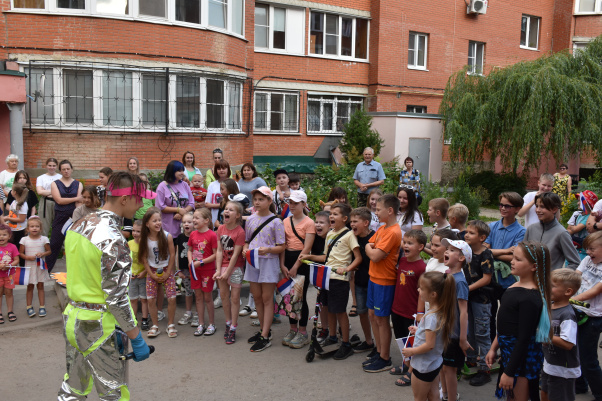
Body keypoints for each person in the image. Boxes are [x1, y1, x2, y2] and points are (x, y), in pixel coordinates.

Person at [58, 171, 152, 400]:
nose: (141, 205)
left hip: (73, 320)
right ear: (124, 199)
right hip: (99, 327)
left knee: (73, 389)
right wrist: (136, 336)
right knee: (113, 393)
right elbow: (117, 298)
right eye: (139, 199)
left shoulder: (78, 224)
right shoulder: (113, 238)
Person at [486, 241, 552, 401]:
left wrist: (509, 372)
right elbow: (505, 327)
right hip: (511, 354)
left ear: (534, 267)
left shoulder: (530, 298)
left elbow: (523, 339)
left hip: (522, 361)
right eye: (513, 257)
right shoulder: (515, 285)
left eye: (518, 259)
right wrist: (494, 347)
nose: (512, 262)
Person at [300, 203, 361, 360]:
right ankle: (333, 337)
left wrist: (347, 269)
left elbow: (358, 258)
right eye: (331, 214)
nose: (331, 216)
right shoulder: (330, 234)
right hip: (327, 277)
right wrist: (309, 257)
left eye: (335, 214)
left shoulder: (349, 235)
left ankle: (346, 344)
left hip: (339, 279)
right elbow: (325, 258)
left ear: (345, 218)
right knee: (328, 308)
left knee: (340, 311)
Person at [363, 194, 403, 373]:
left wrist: (373, 251)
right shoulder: (382, 228)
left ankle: (385, 357)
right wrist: (371, 250)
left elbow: (375, 255)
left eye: (378, 210)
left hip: (385, 281)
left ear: (390, 210)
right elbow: (368, 245)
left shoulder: (393, 231)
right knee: (373, 315)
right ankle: (379, 351)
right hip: (373, 277)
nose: (376, 212)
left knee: (381, 319)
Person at [402, 271, 456, 401]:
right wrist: (419, 329)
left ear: (433, 294)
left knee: (419, 397)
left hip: (422, 366)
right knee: (433, 395)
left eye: (421, 288)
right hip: (434, 364)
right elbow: (433, 334)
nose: (418, 290)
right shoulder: (440, 311)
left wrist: (411, 351)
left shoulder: (431, 316)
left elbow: (429, 345)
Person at [243, 186, 285, 352]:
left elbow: (281, 246)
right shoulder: (250, 219)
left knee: (267, 298)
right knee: (257, 298)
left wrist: (267, 249)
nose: (257, 202)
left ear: (269, 201)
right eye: (255, 199)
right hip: (253, 261)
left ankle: (265, 336)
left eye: (261, 199)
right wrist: (244, 249)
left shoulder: (276, 221)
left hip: (268, 263)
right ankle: (263, 330)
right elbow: (247, 240)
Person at [485, 191, 526, 342]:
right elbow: (483, 250)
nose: (502, 208)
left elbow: (514, 257)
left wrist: (492, 252)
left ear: (517, 209)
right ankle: (489, 345)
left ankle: (505, 344)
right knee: (488, 314)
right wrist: (505, 250)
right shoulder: (492, 226)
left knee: (506, 316)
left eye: (507, 206)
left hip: (508, 280)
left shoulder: (521, 231)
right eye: (501, 204)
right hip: (490, 278)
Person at [390, 229, 427, 387]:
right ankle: (406, 364)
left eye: (410, 243)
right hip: (397, 308)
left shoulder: (421, 267)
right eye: (404, 242)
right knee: (401, 340)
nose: (405, 245)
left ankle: (412, 371)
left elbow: (422, 293)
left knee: (412, 342)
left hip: (411, 312)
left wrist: (419, 313)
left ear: (420, 247)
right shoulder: (402, 261)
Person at [280, 190, 315, 349]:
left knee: (300, 296)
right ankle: (292, 329)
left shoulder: (309, 223)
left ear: (303, 204)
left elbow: (306, 248)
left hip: (301, 262)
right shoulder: (285, 221)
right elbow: (282, 245)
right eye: (290, 203)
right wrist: (283, 265)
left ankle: (303, 332)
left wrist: (295, 267)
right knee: (289, 296)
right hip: (286, 260)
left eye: (295, 203)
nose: (292, 206)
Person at [541, 268, 581, 401]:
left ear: (568, 291)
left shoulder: (567, 315)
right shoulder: (551, 306)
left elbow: (568, 344)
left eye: (552, 286)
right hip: (550, 364)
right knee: (545, 393)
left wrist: (546, 335)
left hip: (563, 370)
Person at [463, 220, 494, 386]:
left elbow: (487, 278)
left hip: (481, 299)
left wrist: (467, 288)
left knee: (482, 333)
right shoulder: (466, 251)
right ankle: (472, 359)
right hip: (468, 298)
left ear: (482, 238)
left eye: (471, 233)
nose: (467, 234)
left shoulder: (486, 254)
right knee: (470, 331)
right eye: (467, 231)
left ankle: (485, 369)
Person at [439, 239, 471, 401]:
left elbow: (464, 312)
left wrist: (463, 338)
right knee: (443, 366)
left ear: (461, 258)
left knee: (450, 369)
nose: (446, 251)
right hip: (443, 330)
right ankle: (444, 394)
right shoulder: (446, 275)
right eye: (447, 249)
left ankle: (452, 398)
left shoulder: (460, 282)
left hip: (454, 334)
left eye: (452, 250)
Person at [572, 231, 602, 399]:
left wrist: (570, 299)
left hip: (593, 318)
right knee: (575, 351)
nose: (588, 252)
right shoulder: (586, 260)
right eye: (586, 249)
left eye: (592, 249)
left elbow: (595, 291)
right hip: (578, 311)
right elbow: (576, 278)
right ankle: (580, 384)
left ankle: (599, 392)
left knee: (588, 358)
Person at [139, 207, 177, 338]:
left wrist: (168, 273)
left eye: (159, 220)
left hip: (166, 269)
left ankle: (170, 324)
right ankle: (155, 325)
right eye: (154, 220)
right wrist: (150, 273)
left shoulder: (167, 236)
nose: (158, 223)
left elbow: (172, 255)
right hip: (152, 271)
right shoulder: (145, 239)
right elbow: (144, 258)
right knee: (151, 299)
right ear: (147, 224)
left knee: (172, 298)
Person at [214, 200, 245, 344]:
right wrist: (218, 269)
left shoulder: (240, 232)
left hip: (236, 268)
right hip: (223, 266)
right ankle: (227, 322)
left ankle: (234, 326)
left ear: (238, 215)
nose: (227, 211)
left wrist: (227, 272)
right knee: (224, 296)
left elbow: (235, 254)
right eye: (226, 209)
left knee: (234, 298)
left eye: (231, 210)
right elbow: (219, 250)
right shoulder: (220, 229)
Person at [524, 192, 580, 270]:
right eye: (536, 206)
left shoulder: (561, 233)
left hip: (549, 281)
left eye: (542, 207)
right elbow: (524, 254)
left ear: (554, 209)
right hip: (528, 280)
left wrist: (558, 278)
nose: (538, 210)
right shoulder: (531, 229)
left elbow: (575, 262)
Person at [46, 160, 83, 272]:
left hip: (74, 217)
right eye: (63, 169)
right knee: (54, 244)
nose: (66, 171)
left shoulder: (78, 184)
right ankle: (46, 272)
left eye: (68, 169)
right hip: (60, 217)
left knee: (75, 246)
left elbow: (79, 203)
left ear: (71, 169)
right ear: (60, 171)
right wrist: (76, 198)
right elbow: (59, 200)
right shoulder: (55, 183)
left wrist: (78, 217)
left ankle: (76, 273)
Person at [349, 207, 376, 353]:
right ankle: (368, 341)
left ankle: (380, 347)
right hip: (359, 281)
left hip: (374, 282)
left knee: (375, 316)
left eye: (355, 221)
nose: (352, 224)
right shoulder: (352, 237)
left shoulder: (375, 238)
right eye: (351, 221)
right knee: (362, 312)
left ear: (366, 223)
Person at [188, 208, 218, 336]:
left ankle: (211, 324)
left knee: (207, 297)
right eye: (193, 217)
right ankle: (201, 324)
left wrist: (201, 262)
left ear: (206, 220)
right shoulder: (193, 234)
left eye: (196, 218)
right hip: (195, 271)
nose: (193, 220)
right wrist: (191, 262)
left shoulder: (212, 235)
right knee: (198, 297)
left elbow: (216, 254)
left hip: (207, 270)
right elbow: (190, 250)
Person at [20, 216, 51, 318]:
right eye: (32, 226)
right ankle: (29, 307)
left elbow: (49, 251)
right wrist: (27, 257)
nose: (34, 228)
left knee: (41, 286)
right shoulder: (24, 240)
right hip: (29, 267)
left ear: (40, 229)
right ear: (28, 228)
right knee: (30, 287)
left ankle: (42, 306)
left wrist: (42, 254)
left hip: (40, 267)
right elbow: (20, 253)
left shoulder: (44, 239)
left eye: (37, 226)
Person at [155, 160, 195, 239]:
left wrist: (182, 212)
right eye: (179, 171)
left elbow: (192, 203)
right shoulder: (162, 186)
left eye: (182, 170)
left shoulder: (185, 185)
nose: (182, 173)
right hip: (168, 227)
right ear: (172, 172)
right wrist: (177, 209)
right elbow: (160, 206)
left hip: (184, 227)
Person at [174, 212, 197, 328]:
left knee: (198, 293)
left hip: (196, 270)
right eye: (184, 222)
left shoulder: (198, 236)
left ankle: (198, 314)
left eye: (189, 222)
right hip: (184, 270)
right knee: (188, 292)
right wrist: (179, 270)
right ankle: (188, 313)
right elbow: (178, 253)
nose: (186, 224)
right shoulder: (180, 237)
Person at [128, 220, 149, 331]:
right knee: (133, 299)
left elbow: (149, 261)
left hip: (143, 276)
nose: (135, 233)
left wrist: (144, 272)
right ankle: (134, 318)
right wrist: (129, 272)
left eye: (138, 231)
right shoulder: (129, 243)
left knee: (144, 299)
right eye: (133, 230)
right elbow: (126, 260)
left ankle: (145, 319)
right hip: (132, 277)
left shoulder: (145, 244)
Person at [567, 190, 598, 260]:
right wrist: (572, 229)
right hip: (573, 246)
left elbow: (574, 229)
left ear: (587, 203)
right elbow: (568, 230)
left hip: (583, 251)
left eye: (580, 201)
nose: (578, 203)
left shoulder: (590, 217)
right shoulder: (576, 214)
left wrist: (573, 228)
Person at [0, 224, 19, 323]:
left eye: (4, 235)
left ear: (9, 236)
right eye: (0, 235)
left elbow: (16, 260)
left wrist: (10, 265)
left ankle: (10, 311)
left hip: (9, 274)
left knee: (9, 293)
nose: (1, 237)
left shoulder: (13, 247)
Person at [36, 158, 61, 236]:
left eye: (54, 165)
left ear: (57, 166)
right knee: (43, 226)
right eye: (50, 165)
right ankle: (44, 246)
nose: (52, 167)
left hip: (58, 202)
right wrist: (55, 191)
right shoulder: (41, 178)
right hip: (45, 202)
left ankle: (59, 247)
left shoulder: (61, 177)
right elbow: (39, 191)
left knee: (58, 225)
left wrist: (46, 191)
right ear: (46, 166)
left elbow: (63, 192)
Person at [206, 160, 234, 224]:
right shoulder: (212, 185)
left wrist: (212, 205)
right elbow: (207, 204)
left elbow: (234, 204)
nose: (221, 170)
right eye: (219, 169)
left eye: (224, 168)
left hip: (229, 219)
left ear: (228, 169)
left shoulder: (234, 184)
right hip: (213, 218)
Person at [5, 183, 30, 253]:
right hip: (13, 229)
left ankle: (21, 263)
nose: (11, 192)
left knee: (20, 249)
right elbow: (12, 214)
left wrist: (8, 219)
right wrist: (6, 217)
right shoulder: (14, 202)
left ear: (15, 192)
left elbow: (21, 219)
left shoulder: (23, 204)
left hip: (20, 230)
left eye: (12, 190)